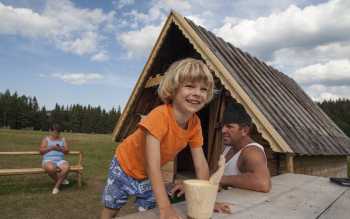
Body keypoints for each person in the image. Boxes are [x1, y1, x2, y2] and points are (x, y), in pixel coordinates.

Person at [101, 58, 215, 219]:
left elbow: (201, 163)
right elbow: (152, 164)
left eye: (203, 89)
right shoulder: (159, 116)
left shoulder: (195, 123)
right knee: (112, 208)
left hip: (147, 175)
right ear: (174, 89)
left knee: (149, 212)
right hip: (123, 166)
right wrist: (166, 207)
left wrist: (206, 200)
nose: (197, 93)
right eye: (189, 86)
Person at [219, 101, 271, 193]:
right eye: (223, 126)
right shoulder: (229, 147)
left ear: (244, 131)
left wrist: (221, 179)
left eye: (229, 126)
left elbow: (263, 183)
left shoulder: (253, 152)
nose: (223, 130)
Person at [39, 123, 70, 195]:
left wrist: (61, 149)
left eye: (58, 132)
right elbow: (41, 151)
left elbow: (67, 151)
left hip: (60, 160)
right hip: (48, 160)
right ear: (51, 131)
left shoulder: (63, 139)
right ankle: (61, 180)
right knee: (51, 168)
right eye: (55, 132)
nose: (57, 134)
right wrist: (51, 148)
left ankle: (56, 187)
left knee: (67, 167)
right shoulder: (46, 139)